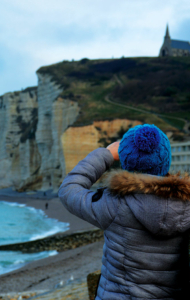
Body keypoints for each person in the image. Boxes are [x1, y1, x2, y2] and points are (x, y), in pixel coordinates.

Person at [58, 124, 190, 299]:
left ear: (126, 159)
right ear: (166, 160)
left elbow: (69, 189)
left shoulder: (113, 204)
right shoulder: (186, 206)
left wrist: (106, 154)